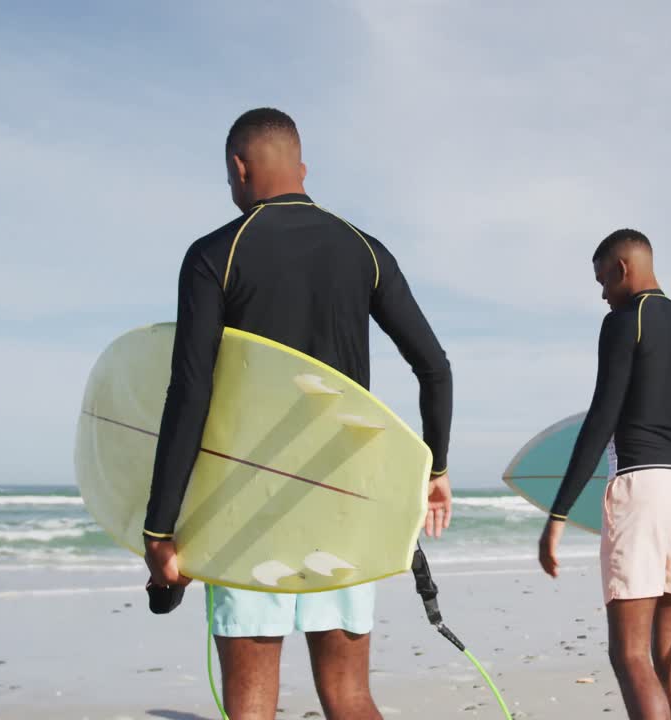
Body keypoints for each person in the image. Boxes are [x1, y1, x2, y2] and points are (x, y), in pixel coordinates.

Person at [142, 107, 454, 720]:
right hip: (343, 497)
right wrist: (434, 469)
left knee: (253, 704)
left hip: (245, 504)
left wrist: (159, 528)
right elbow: (434, 366)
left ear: (239, 167)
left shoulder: (215, 254)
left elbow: (190, 392)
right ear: (302, 167)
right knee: (349, 694)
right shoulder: (364, 249)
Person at [538, 229, 671, 720]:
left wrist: (557, 514)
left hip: (644, 485)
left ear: (622, 269)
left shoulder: (624, 320)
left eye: (602, 280)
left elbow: (603, 417)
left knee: (630, 652)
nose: (602, 293)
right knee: (670, 647)